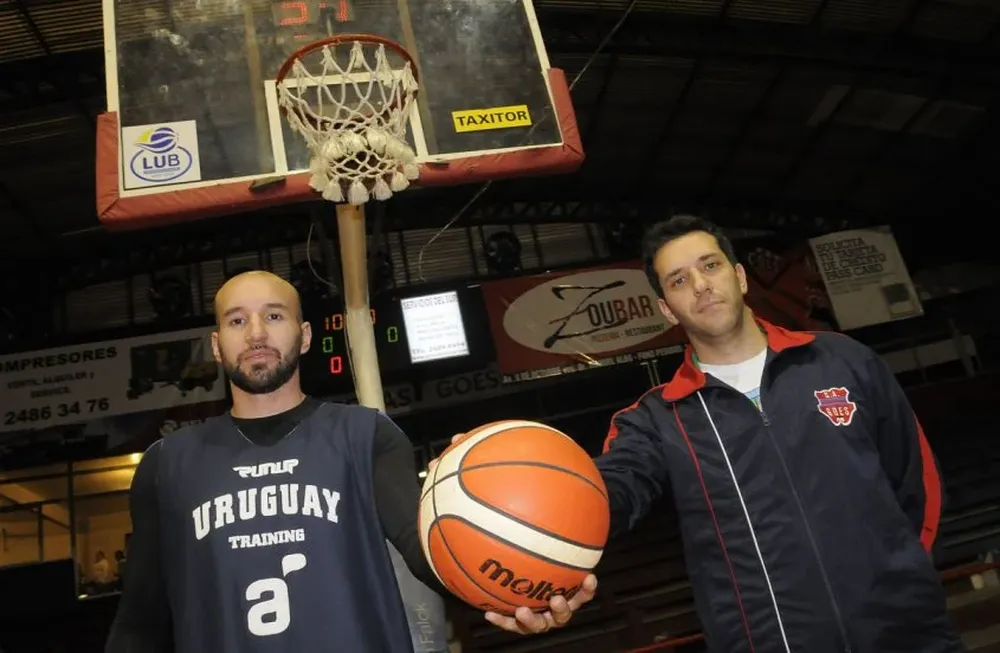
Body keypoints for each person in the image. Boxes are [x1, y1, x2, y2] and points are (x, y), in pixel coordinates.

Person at [449, 215, 966, 652]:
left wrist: (908, 583)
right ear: (665, 309)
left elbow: (917, 481)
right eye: (677, 281)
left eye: (710, 266)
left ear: (740, 277)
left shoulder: (841, 360)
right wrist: (505, 500)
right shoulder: (656, 418)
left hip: (912, 636)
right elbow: (603, 496)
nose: (700, 285)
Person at [104, 270, 451, 653]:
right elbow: (139, 619)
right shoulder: (165, 465)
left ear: (304, 337)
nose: (256, 334)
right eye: (238, 320)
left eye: (273, 316)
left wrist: (465, 514)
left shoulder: (368, 435)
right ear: (217, 347)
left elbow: (431, 558)